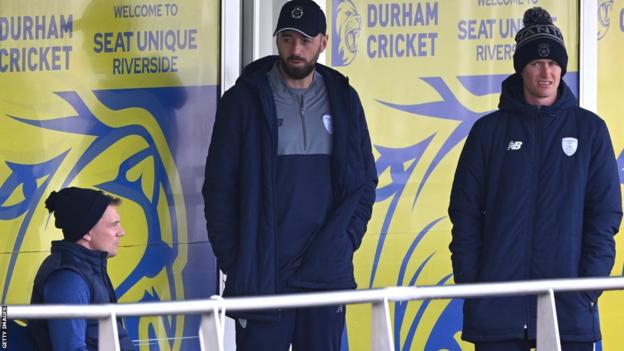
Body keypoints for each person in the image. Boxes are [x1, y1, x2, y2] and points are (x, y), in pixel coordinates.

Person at [202, 0, 377, 349]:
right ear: (277, 39)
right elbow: (218, 189)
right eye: (286, 38)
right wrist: (237, 261)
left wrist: (345, 240)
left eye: (306, 40)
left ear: (324, 43)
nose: (295, 49)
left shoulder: (344, 98)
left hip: (325, 273)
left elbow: (363, 182)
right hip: (264, 276)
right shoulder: (243, 100)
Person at [448, 7, 623, 351]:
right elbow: (465, 212)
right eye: (536, 63)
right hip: (497, 308)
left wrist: (587, 287)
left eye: (554, 63)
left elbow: (605, 215)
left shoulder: (590, 131)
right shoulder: (489, 132)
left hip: (568, 309)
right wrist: (472, 283)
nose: (547, 72)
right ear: (521, 69)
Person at [29, 187, 135, 350]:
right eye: (114, 225)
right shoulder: (68, 278)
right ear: (87, 233)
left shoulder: (87, 267)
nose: (121, 232)